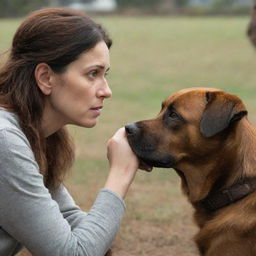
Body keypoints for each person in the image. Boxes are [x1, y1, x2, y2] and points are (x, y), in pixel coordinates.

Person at [0, 8, 150, 256]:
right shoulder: (5, 141)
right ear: (46, 77)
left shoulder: (33, 134)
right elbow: (74, 253)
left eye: (105, 75)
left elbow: (69, 221)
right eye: (93, 74)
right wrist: (121, 172)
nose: (106, 91)